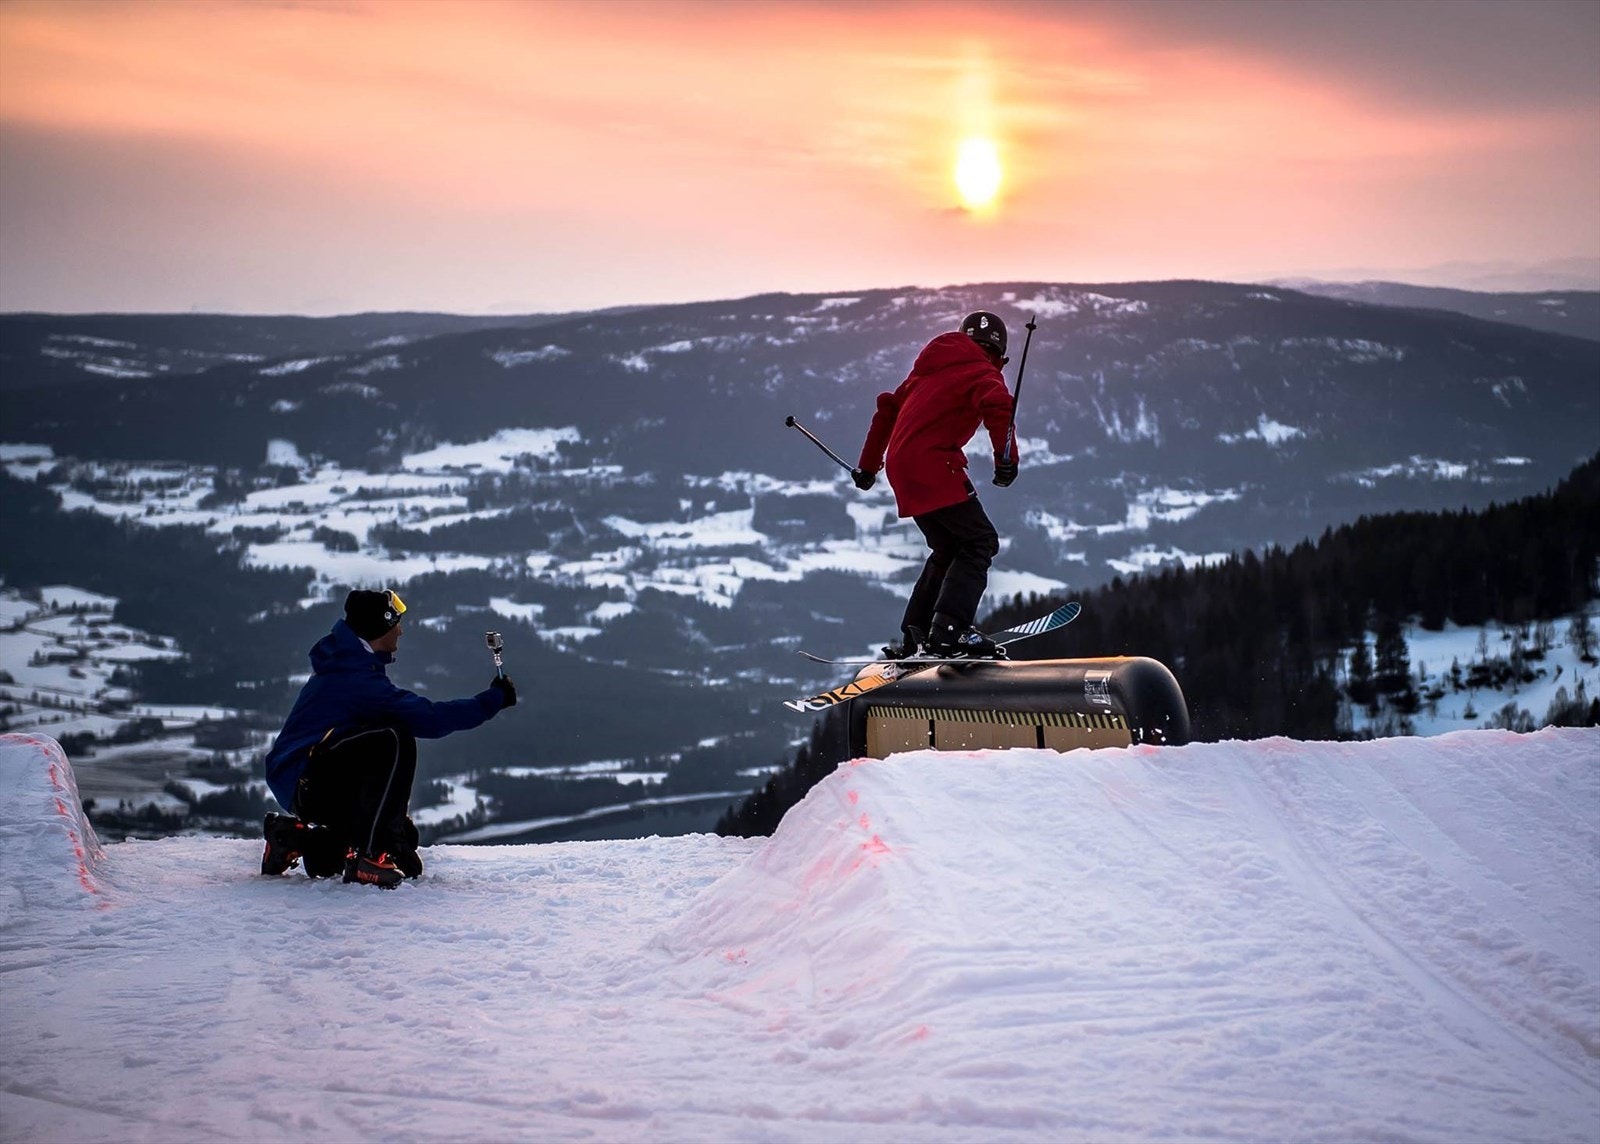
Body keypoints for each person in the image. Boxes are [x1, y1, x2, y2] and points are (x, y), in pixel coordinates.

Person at [261, 589, 516, 888]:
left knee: (404, 847)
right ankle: (368, 856)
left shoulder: (352, 664)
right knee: (394, 737)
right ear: (378, 628)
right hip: (303, 781)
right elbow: (430, 718)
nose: (401, 631)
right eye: (396, 624)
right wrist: (493, 700)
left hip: (305, 779)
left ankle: (292, 839)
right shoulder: (356, 679)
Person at [852, 310, 1019, 659]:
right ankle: (950, 631)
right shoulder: (983, 370)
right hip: (934, 465)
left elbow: (887, 410)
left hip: (901, 468)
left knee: (947, 547)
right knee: (979, 541)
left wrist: (867, 467)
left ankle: (915, 635)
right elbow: (998, 405)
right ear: (999, 355)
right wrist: (1006, 459)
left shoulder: (926, 370)